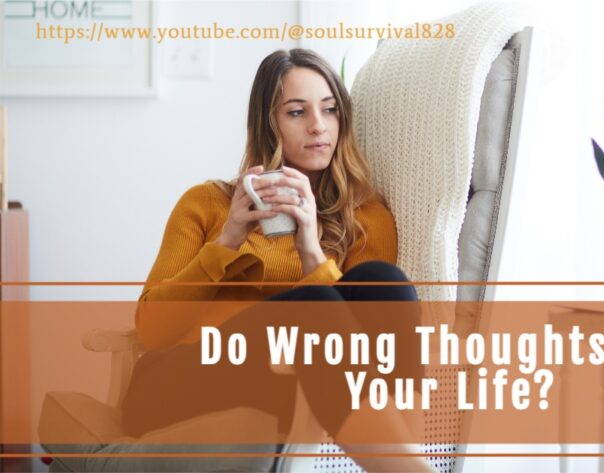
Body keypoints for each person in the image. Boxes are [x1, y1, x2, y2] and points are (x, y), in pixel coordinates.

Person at [121, 48, 433, 472]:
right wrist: (228, 239)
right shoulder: (206, 204)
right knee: (313, 305)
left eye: (329, 109)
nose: (319, 126)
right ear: (269, 124)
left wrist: (310, 247)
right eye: (297, 112)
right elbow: (154, 332)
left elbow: (360, 344)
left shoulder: (366, 218)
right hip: (177, 381)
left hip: (289, 388)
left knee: (385, 282)